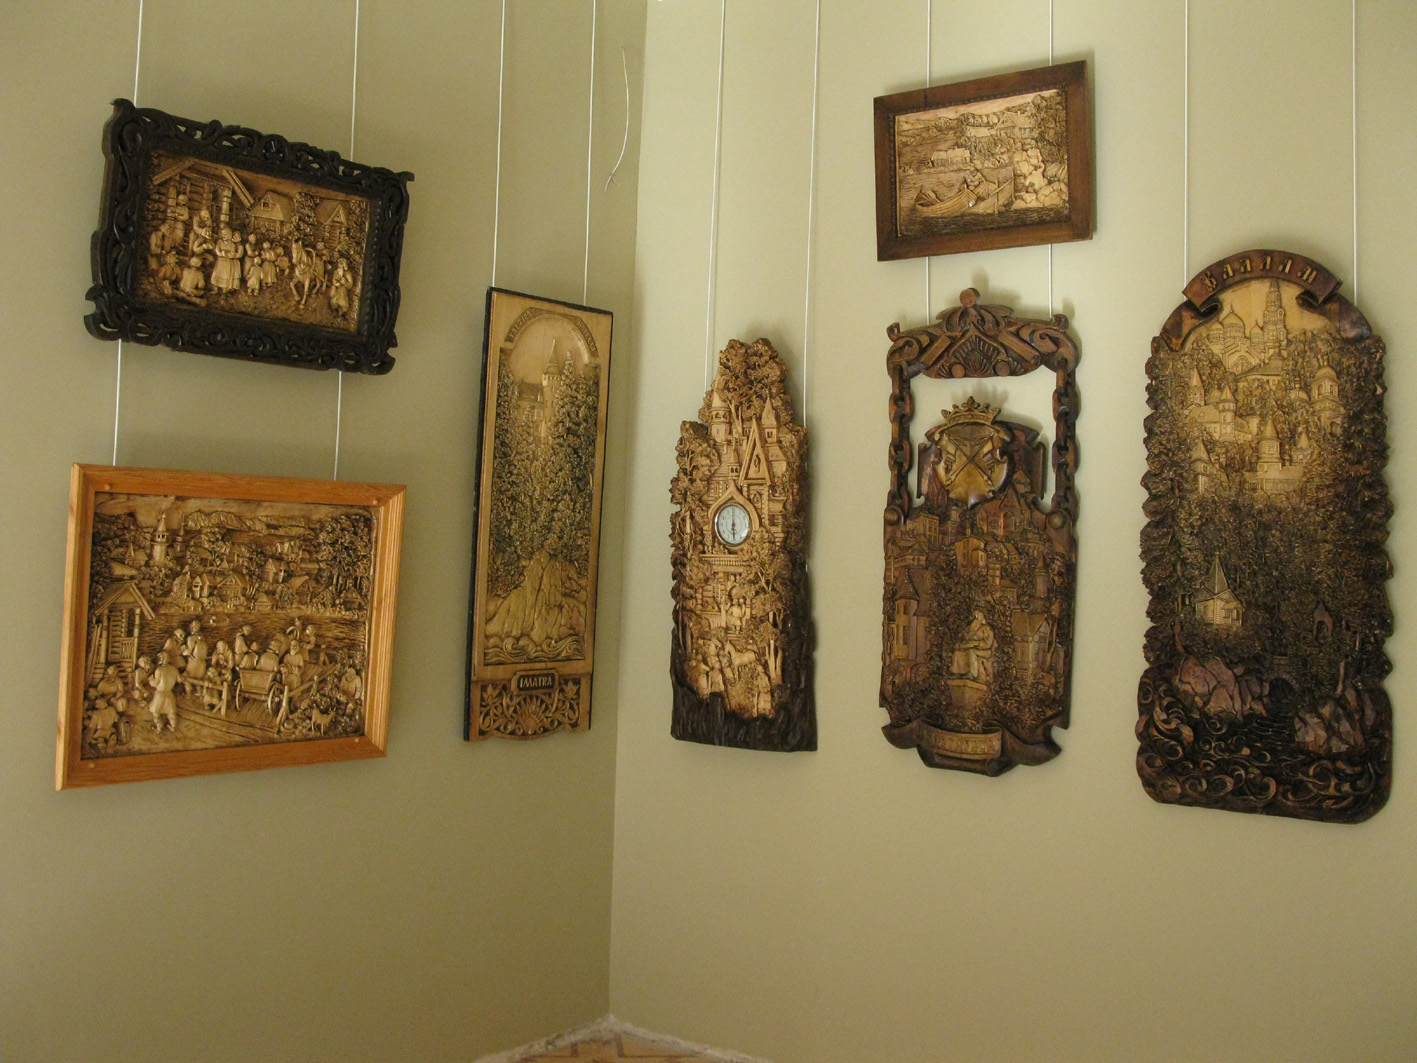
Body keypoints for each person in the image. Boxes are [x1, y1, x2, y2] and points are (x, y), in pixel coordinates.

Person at [148, 651, 180, 733]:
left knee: (155, 712)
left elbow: (155, 683)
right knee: (171, 712)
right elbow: (179, 680)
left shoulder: (159, 670)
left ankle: (159, 727)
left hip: (160, 694)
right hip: (169, 694)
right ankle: (173, 726)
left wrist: (150, 680)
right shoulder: (174, 669)